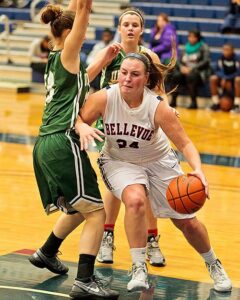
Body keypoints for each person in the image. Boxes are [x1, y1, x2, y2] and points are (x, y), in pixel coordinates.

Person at [76, 52, 232, 293]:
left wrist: (198, 170)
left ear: (146, 77)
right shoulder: (104, 98)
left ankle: (213, 263)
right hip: (119, 161)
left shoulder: (157, 106)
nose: (127, 79)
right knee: (135, 200)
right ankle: (138, 266)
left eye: (135, 74)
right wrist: (82, 126)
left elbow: (185, 144)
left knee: (187, 223)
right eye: (124, 73)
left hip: (158, 160)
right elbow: (78, 119)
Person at [28, 0, 120, 298]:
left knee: (82, 206)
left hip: (46, 144)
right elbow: (82, 9)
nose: (85, 32)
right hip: (62, 141)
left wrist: (103, 60)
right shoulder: (68, 51)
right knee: (97, 212)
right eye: (80, 30)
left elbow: (81, 81)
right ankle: (84, 280)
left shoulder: (61, 61)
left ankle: (47, 252)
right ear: (69, 33)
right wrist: (83, 8)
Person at [94, 7, 177, 267]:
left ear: (141, 30)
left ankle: (152, 240)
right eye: (126, 24)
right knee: (115, 187)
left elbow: (161, 93)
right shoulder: (107, 54)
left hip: (142, 127)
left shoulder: (148, 57)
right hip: (112, 127)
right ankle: (107, 236)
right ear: (119, 28)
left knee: (146, 187)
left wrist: (167, 111)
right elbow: (90, 84)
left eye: (135, 24)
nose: (130, 28)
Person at [170, 29, 211, 109]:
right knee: (176, 76)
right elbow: (178, 60)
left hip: (198, 73)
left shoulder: (204, 47)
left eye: (193, 37)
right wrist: (181, 67)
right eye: (190, 37)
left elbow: (206, 61)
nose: (191, 39)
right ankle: (173, 100)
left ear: (198, 38)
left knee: (191, 76)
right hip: (185, 71)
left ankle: (193, 102)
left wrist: (192, 68)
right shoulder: (186, 47)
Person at [209, 43, 240, 113]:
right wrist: (224, 78)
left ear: (232, 50)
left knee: (238, 79)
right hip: (223, 80)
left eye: (227, 50)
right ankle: (216, 103)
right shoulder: (221, 58)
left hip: (233, 81)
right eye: (224, 50)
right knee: (213, 78)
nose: (225, 52)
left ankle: (237, 105)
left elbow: (238, 72)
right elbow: (217, 71)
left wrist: (227, 78)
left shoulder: (237, 59)